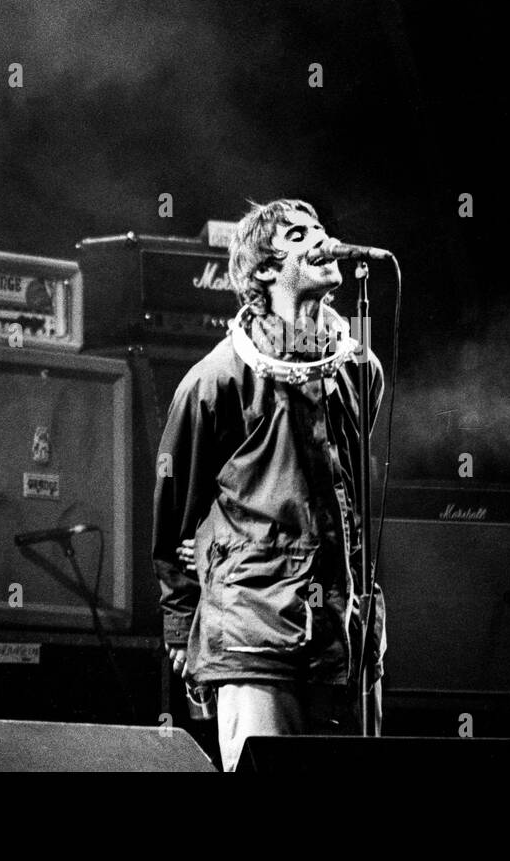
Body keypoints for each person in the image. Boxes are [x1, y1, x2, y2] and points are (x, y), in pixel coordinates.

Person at [152, 197, 387, 772]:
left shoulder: (360, 370)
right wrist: (182, 626)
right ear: (263, 270)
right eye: (301, 235)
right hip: (254, 635)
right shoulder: (215, 380)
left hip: (342, 635)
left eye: (322, 231)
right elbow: (175, 510)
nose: (322, 242)